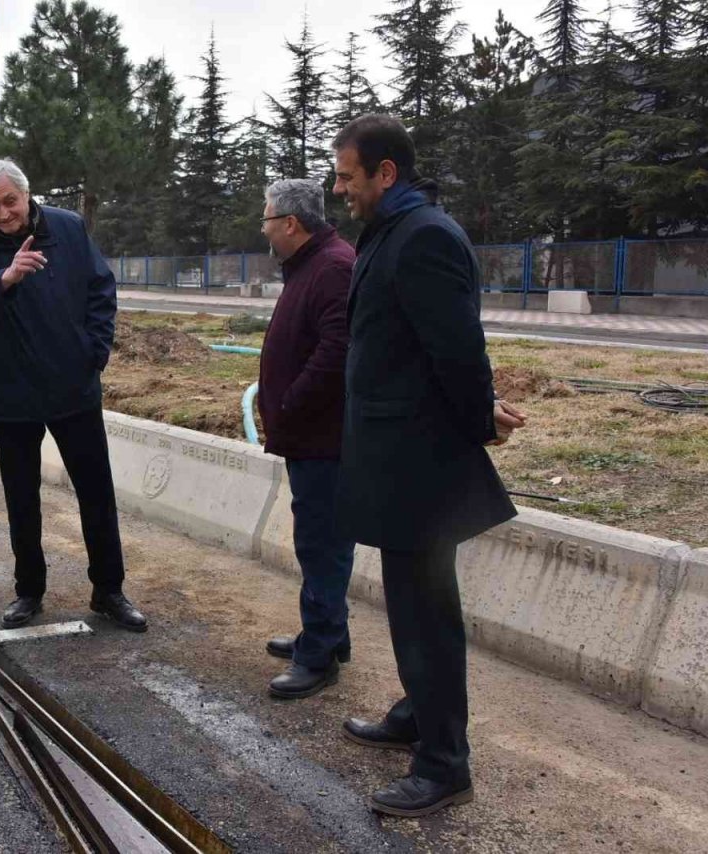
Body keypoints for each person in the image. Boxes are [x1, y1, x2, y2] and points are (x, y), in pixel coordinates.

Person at [331, 115, 527, 816]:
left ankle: (444, 763)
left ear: (386, 174)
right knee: (411, 606)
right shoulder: (392, 230)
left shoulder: (425, 238)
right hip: (395, 455)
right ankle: (419, 712)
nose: (339, 188)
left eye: (348, 176)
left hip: (421, 462)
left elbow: (457, 351)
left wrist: (482, 418)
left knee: (428, 614)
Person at [0, 159, 147, 633]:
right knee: (22, 498)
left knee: (96, 492)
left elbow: (101, 289)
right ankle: (29, 590)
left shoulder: (68, 228)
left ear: (26, 194)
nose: (2, 213)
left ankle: (109, 589)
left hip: (72, 385)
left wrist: (94, 352)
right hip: (9, 393)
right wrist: (6, 277)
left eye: (9, 202)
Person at [256, 179, 357, 701]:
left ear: (290, 224)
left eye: (267, 220)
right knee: (318, 543)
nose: (265, 229)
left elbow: (338, 351)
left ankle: (318, 656)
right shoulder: (313, 265)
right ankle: (327, 635)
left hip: (323, 439)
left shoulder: (334, 267)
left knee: (323, 546)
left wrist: (290, 402)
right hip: (309, 436)